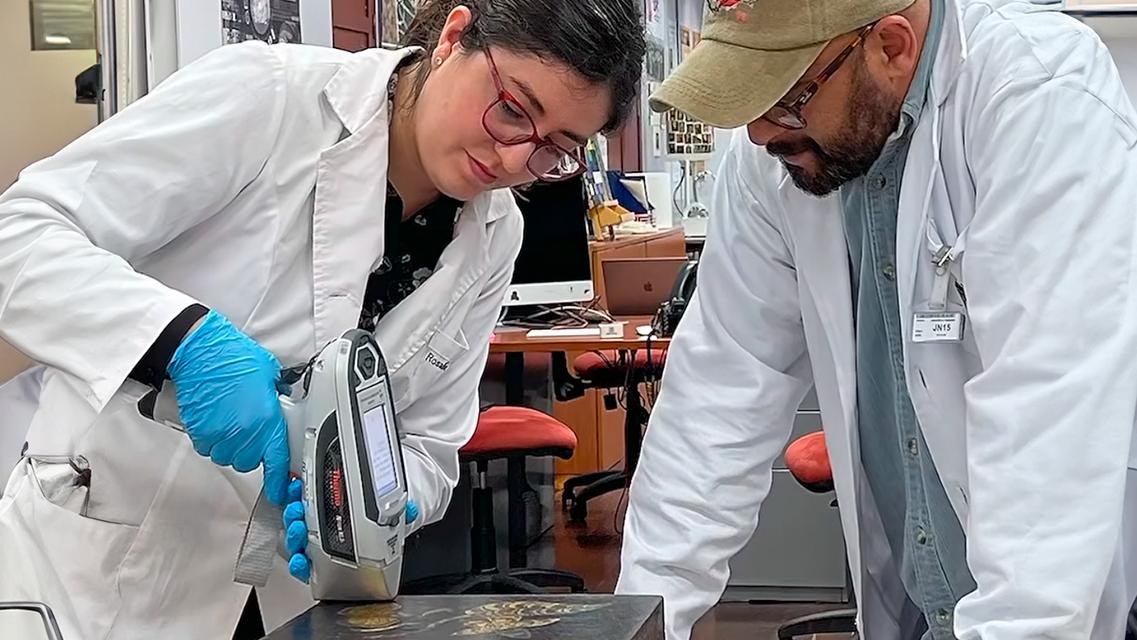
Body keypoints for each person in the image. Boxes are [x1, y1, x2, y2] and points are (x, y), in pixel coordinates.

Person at [0, 0, 644, 636]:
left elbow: (431, 443)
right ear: (455, 37)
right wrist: (181, 342)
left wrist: (388, 499)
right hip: (113, 558)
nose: (511, 161)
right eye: (511, 110)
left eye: (552, 149)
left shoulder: (496, 233)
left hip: (293, 590)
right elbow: (18, 235)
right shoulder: (269, 98)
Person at [616, 0, 1137, 638]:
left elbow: (1045, 423)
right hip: (917, 599)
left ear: (891, 47)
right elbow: (718, 394)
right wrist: (639, 619)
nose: (758, 132)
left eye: (784, 96)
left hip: (1055, 602)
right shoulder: (776, 157)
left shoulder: (1040, 93)